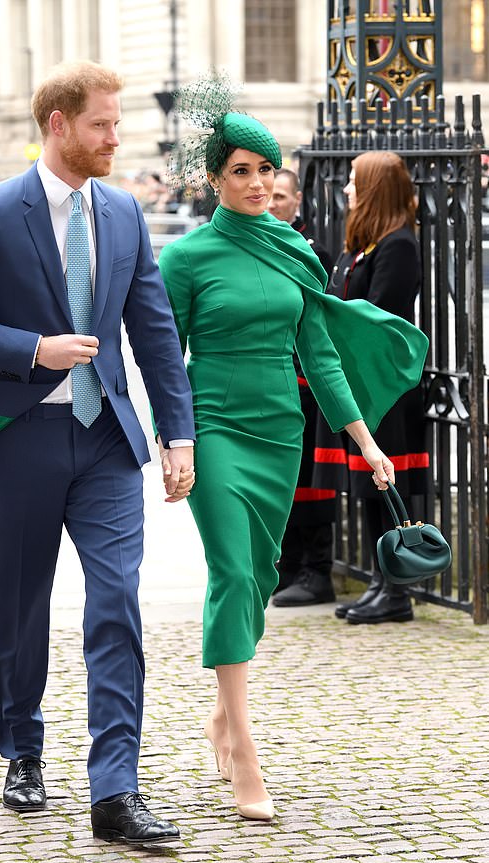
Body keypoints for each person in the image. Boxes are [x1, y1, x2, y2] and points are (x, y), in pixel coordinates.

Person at [0, 60, 196, 847]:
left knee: (117, 603)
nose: (117, 137)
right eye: (104, 123)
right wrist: (32, 349)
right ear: (59, 124)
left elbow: (154, 334)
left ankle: (116, 789)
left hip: (107, 438)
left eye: (118, 123)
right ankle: (24, 751)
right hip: (21, 438)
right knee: (23, 603)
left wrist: (178, 434)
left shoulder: (124, 212)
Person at [157, 76, 428, 822]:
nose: (255, 182)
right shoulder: (185, 260)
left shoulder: (296, 255)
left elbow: (323, 357)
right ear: (214, 178)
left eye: (265, 169)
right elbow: (162, 353)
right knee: (234, 571)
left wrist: (368, 442)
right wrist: (172, 440)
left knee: (257, 579)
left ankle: (221, 710)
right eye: (239, 170)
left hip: (280, 435)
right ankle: (243, 742)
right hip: (214, 432)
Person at [312, 151, 431, 624]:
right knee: (368, 486)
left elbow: (378, 315)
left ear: (376, 188)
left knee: (389, 486)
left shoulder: (399, 245)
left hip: (388, 391)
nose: (346, 190)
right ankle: (380, 583)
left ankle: (397, 592)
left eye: (355, 182)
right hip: (363, 386)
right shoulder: (364, 243)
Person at [267, 169, 337, 607]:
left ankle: (318, 569)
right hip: (271, 381)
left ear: (297, 201)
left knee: (312, 480)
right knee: (282, 481)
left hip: (306, 381)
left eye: (280, 195)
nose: (272, 203)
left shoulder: (312, 252)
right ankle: (287, 565)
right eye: (268, 195)